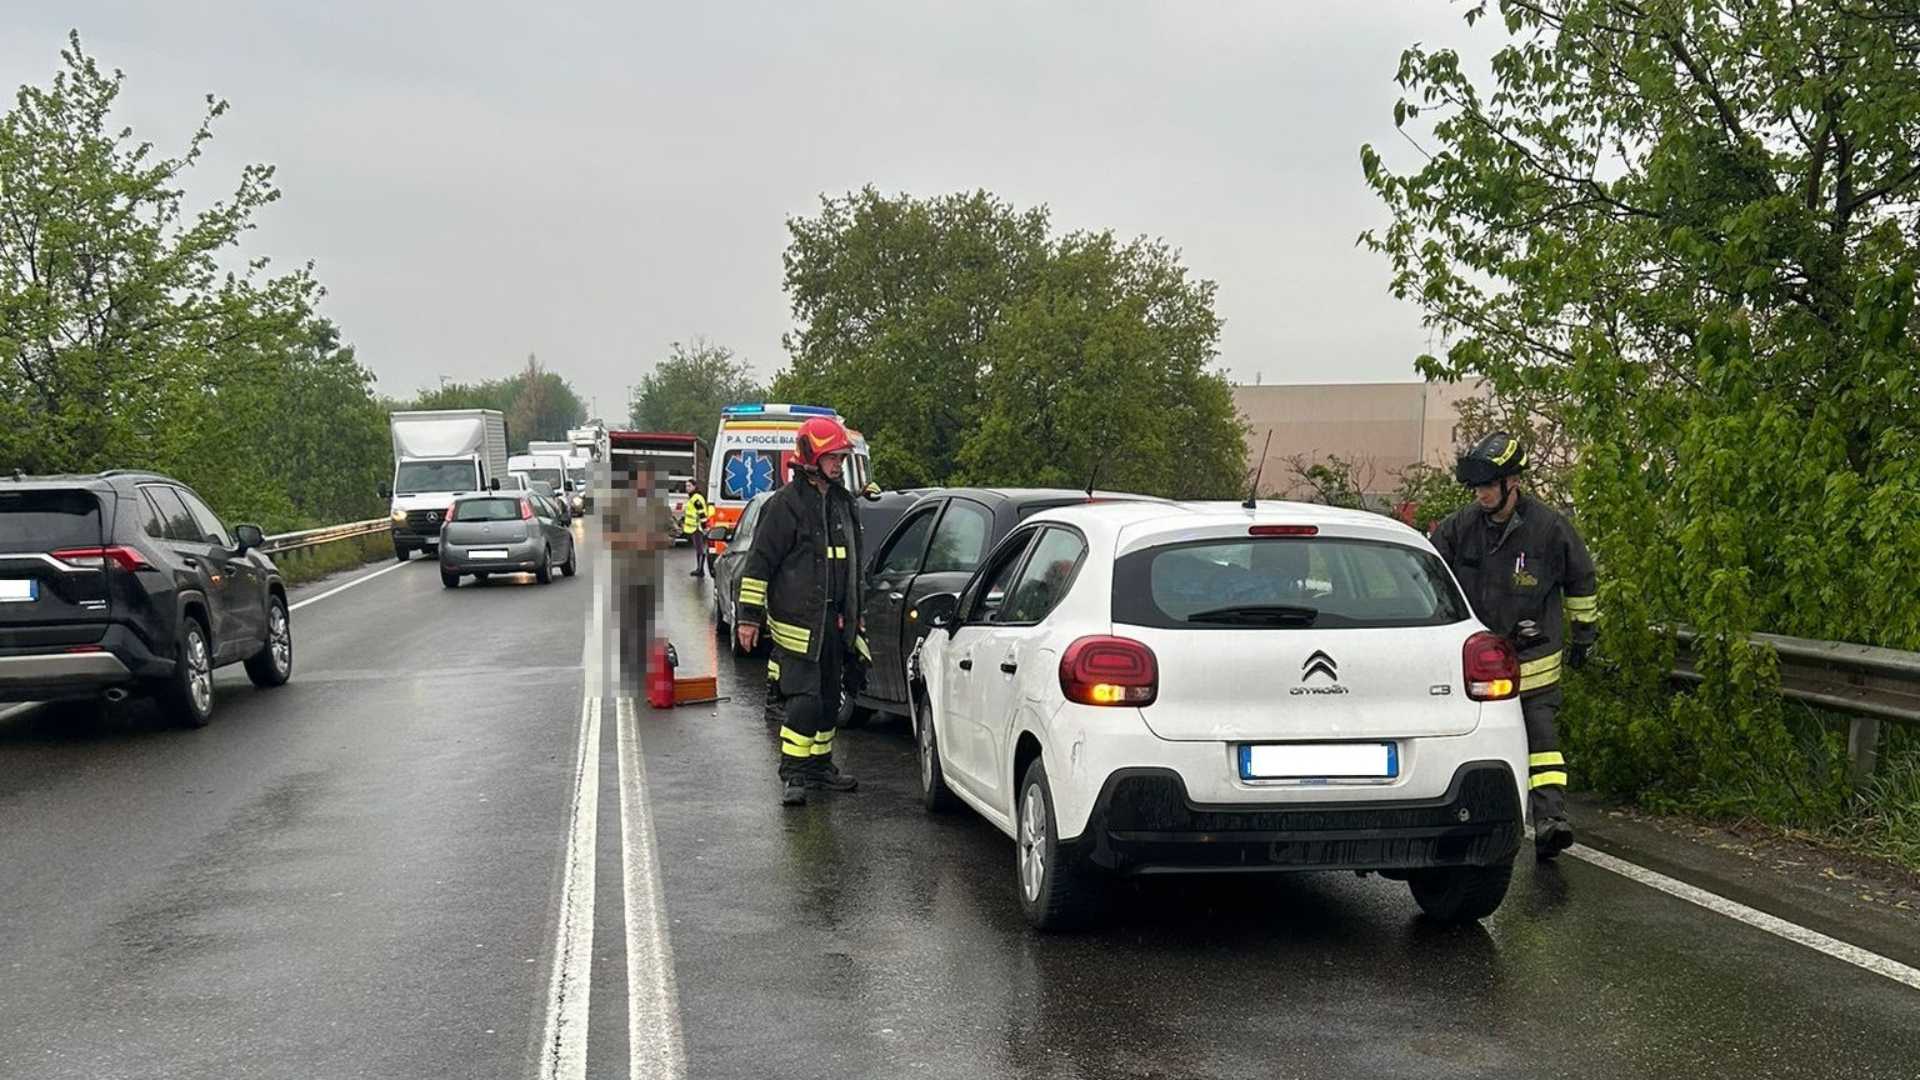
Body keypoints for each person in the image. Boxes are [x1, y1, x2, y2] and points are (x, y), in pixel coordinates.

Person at [1429, 431, 1599, 860]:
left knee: (1542, 739)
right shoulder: (1460, 528)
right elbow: (1428, 574)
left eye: (1489, 485)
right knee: (1474, 738)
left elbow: (1581, 580)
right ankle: (1469, 819)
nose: (1481, 494)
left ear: (1513, 483)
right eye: (1477, 487)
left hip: (1533, 659)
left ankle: (1551, 820)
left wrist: (1584, 634)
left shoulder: (1549, 529)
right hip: (1479, 662)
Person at [735, 415, 865, 806]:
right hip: (798, 623)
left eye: (841, 458)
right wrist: (748, 617)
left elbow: (852, 563)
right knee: (804, 701)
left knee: (828, 699)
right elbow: (759, 563)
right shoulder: (786, 504)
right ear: (810, 457)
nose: (838, 465)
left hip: (833, 622)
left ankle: (819, 766)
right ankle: (793, 773)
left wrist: (856, 613)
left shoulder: (842, 503)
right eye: (832, 458)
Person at [604, 457, 675, 693]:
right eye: (642, 479)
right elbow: (607, 536)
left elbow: (673, 534)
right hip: (626, 570)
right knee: (628, 619)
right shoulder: (619, 505)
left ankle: (645, 663)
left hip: (650, 571)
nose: (646, 483)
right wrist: (630, 540)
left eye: (649, 479)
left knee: (647, 619)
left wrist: (658, 540)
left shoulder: (659, 507)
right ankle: (627, 663)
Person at [681, 478, 712, 578]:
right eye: (686, 486)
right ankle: (699, 569)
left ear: (694, 487)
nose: (687, 488)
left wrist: (704, 527)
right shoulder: (693, 497)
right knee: (698, 548)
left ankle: (700, 570)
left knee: (699, 549)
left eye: (689, 486)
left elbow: (702, 513)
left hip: (697, 528)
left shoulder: (696, 498)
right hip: (694, 527)